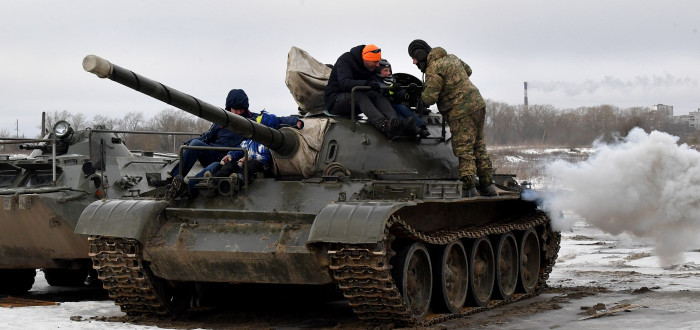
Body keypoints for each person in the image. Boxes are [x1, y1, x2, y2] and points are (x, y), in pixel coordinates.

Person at [155, 89, 302, 186]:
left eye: (241, 109)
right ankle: (173, 181)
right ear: (228, 108)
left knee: (214, 167)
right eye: (234, 109)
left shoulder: (255, 122)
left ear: (246, 108)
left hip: (232, 159)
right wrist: (187, 145)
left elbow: (277, 121)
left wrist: (296, 121)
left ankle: (190, 187)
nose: (237, 112)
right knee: (194, 144)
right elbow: (206, 137)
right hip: (213, 153)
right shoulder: (220, 122)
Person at [407, 39, 497, 197]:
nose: (414, 62)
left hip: (460, 110)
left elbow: (429, 98)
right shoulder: (452, 57)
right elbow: (468, 71)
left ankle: (469, 188)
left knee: (464, 149)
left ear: (420, 55)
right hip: (477, 104)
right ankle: (487, 185)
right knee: (479, 145)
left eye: (414, 58)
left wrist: (418, 98)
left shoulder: (433, 68)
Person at [325, 44, 405, 138]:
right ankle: (384, 125)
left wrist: (390, 87)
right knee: (359, 95)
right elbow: (345, 83)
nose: (377, 65)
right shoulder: (345, 61)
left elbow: (375, 83)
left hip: (355, 101)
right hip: (336, 101)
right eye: (375, 62)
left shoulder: (370, 67)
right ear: (366, 59)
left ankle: (395, 122)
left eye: (378, 62)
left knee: (375, 94)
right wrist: (366, 83)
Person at [375, 59, 429, 138]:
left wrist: (408, 91)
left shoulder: (392, 81)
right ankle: (413, 129)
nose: (388, 73)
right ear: (378, 71)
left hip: (393, 104)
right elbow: (376, 95)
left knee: (402, 108)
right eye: (385, 71)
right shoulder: (375, 82)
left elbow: (400, 97)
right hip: (381, 106)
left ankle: (421, 126)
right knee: (394, 114)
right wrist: (388, 90)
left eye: (389, 70)